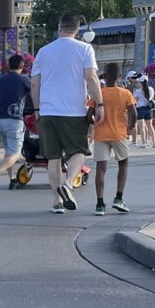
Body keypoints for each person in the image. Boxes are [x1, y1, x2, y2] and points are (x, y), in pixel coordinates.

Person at [30, 15, 103, 214]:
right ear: (77, 30)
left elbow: (35, 83)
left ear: (59, 27)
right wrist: (100, 104)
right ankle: (69, 185)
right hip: (74, 111)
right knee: (79, 151)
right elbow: (91, 77)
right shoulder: (85, 48)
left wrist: (37, 110)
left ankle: (57, 202)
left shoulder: (44, 51)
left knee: (53, 158)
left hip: (48, 111)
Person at [91, 63, 135, 216]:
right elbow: (134, 113)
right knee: (123, 164)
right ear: (120, 77)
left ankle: (99, 204)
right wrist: (129, 128)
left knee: (101, 169)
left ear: (105, 75)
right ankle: (119, 198)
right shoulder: (126, 93)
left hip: (101, 135)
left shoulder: (99, 94)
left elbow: (88, 115)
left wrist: (94, 123)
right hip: (119, 133)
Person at [0, 54, 32, 193]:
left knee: (8, 152)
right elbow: (33, 93)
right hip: (14, 119)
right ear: (22, 66)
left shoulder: (1, 79)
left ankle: (12, 180)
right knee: (16, 154)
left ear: (8, 66)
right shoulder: (24, 79)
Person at [132, 77, 155, 149]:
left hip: (140, 108)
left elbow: (135, 100)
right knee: (150, 126)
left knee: (141, 127)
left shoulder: (137, 91)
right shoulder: (151, 89)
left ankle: (144, 143)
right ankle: (154, 142)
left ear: (140, 83)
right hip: (148, 108)